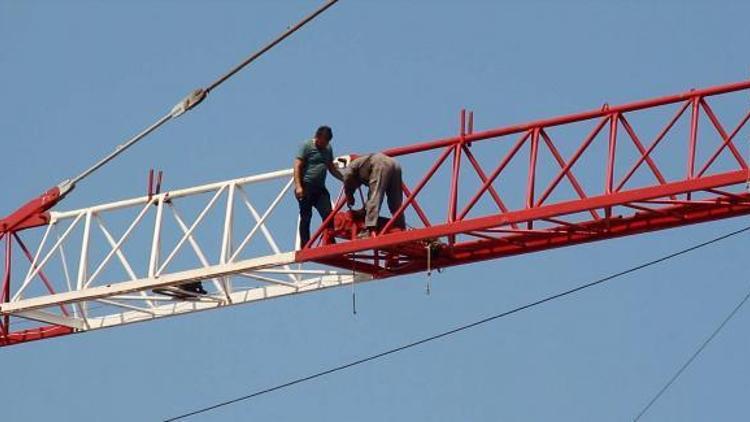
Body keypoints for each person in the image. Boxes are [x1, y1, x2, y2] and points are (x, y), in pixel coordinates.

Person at [294, 125, 343, 247]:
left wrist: (344, 178)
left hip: (320, 188)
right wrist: (299, 186)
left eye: (327, 142)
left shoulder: (328, 149)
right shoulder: (306, 146)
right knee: (306, 216)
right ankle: (305, 245)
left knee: (328, 214)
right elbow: (297, 166)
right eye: (323, 142)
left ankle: (330, 242)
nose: (324, 145)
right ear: (317, 138)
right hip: (306, 186)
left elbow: (331, 168)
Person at [343, 152, 405, 237]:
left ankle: (370, 228)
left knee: (375, 195)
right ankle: (401, 226)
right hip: (395, 164)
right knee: (396, 201)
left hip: (380, 163)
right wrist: (364, 210)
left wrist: (349, 195)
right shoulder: (363, 165)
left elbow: (347, 177)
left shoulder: (353, 165)